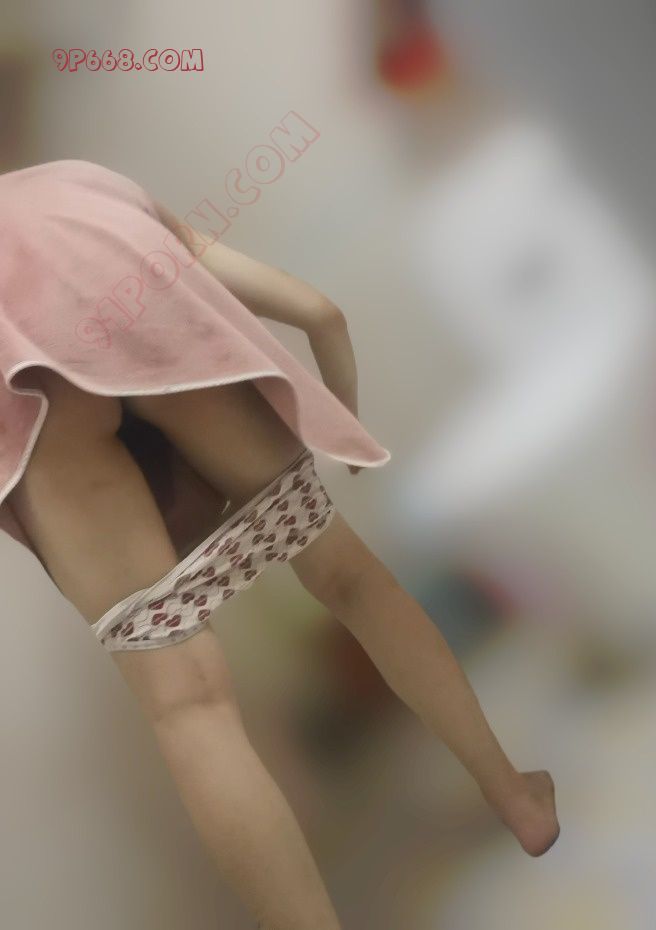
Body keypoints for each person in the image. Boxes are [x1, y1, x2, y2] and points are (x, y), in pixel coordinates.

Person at [0, 158, 558, 930]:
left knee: (188, 707)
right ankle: (516, 799)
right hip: (161, 345)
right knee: (352, 581)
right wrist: (342, 419)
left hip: (41, 439)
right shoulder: (79, 186)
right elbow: (319, 310)